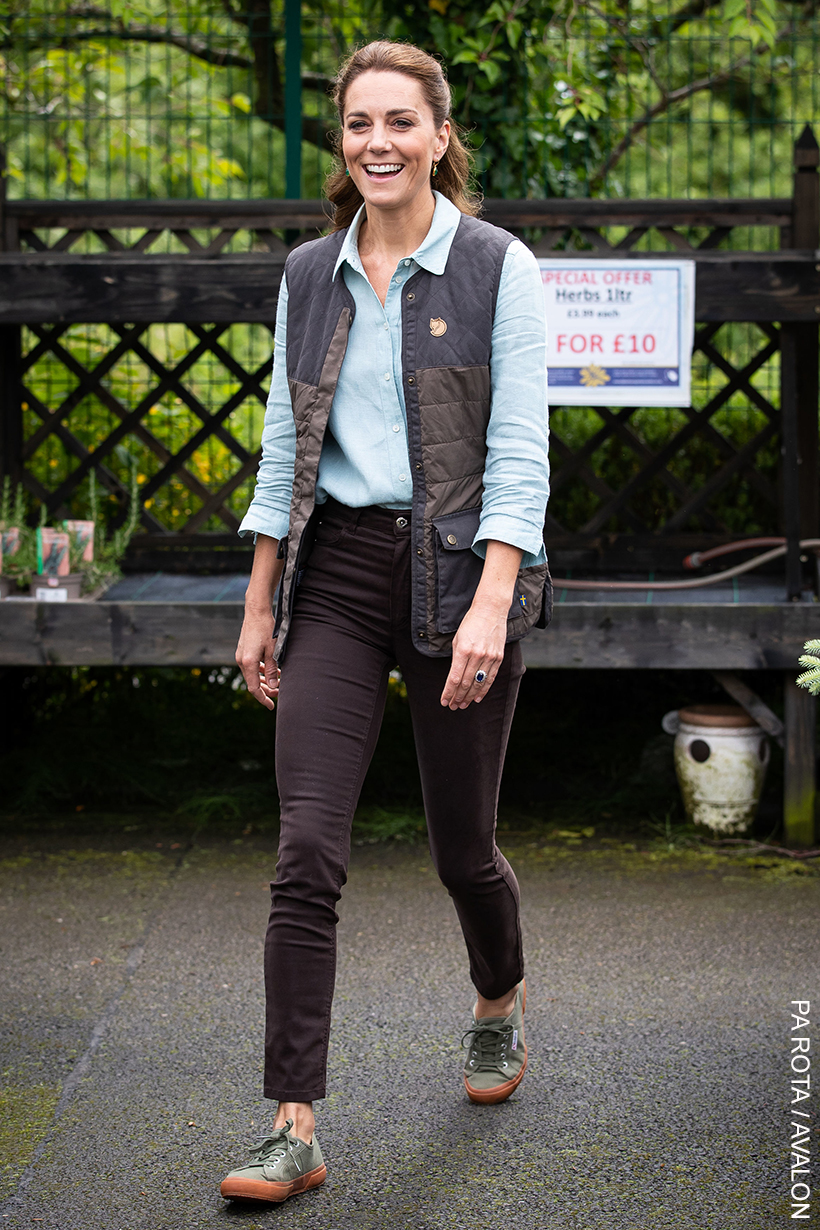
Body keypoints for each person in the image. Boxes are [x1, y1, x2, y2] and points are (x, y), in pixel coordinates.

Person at [220, 39, 550, 1205]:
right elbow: (282, 446)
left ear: (440, 135)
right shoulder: (310, 273)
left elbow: (518, 454)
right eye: (358, 124)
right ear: (342, 140)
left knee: (464, 845)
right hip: (338, 578)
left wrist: (491, 605)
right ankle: (292, 1125)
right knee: (306, 849)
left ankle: (499, 1000)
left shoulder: (497, 266)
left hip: (462, 573)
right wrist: (259, 603)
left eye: (399, 122)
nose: (376, 143)